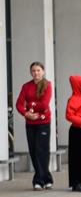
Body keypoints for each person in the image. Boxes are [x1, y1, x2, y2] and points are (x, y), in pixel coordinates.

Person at [15, 61, 54, 189]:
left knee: (41, 150)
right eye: (33, 71)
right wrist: (26, 114)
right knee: (33, 151)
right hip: (30, 123)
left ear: (43, 72)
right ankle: (47, 178)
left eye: (38, 70)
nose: (36, 73)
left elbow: (44, 104)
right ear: (31, 72)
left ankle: (38, 180)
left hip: (43, 122)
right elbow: (19, 104)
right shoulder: (26, 86)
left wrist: (30, 105)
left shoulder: (47, 85)